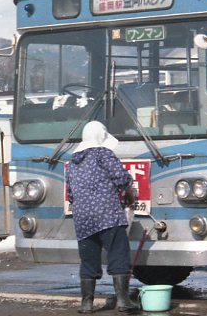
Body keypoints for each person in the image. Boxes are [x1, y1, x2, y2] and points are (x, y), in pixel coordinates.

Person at [66, 121, 138, 314]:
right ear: (101, 137)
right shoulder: (102, 154)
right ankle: (124, 301)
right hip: (107, 216)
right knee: (118, 254)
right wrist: (130, 192)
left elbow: (70, 194)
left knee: (88, 261)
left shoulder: (72, 161)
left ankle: (86, 304)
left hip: (82, 220)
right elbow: (121, 178)